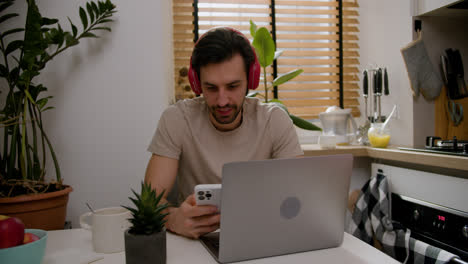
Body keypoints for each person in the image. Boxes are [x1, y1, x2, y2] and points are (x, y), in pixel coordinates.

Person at [144, 27, 304, 239]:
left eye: (232, 86)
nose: (222, 101)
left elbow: (299, 199)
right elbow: (149, 203)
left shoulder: (274, 121)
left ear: (251, 80)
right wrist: (173, 218)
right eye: (211, 88)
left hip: (262, 237)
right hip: (197, 242)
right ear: (196, 83)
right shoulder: (177, 120)